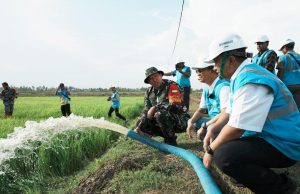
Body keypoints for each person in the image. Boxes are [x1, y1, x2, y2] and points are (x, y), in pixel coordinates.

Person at [202, 33, 300, 194]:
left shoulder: (251, 80)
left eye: (216, 62)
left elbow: (237, 128)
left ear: (231, 60)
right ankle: (249, 174)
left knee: (224, 156)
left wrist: (210, 150)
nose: (214, 67)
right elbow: (230, 113)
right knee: (221, 139)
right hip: (272, 136)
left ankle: (282, 187)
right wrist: (213, 129)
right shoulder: (241, 76)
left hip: (285, 144)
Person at [134, 67, 190, 146]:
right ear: (149, 82)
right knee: (141, 121)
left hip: (180, 120)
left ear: (160, 75)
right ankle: (157, 136)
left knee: (160, 114)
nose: (154, 80)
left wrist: (155, 107)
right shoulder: (149, 92)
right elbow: (146, 109)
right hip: (163, 120)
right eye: (151, 79)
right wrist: (140, 126)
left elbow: (174, 104)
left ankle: (171, 141)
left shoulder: (172, 86)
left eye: (155, 76)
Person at [186, 63, 230, 140]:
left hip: (224, 122)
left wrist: (205, 126)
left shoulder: (224, 87)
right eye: (196, 71)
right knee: (195, 122)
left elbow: (225, 114)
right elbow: (202, 110)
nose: (198, 74)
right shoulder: (206, 88)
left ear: (212, 70)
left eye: (200, 70)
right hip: (213, 120)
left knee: (210, 127)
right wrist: (191, 121)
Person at [277, 39, 300, 110]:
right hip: (299, 86)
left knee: (288, 109)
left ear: (285, 47)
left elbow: (280, 72)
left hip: (287, 86)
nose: (282, 52)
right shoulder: (299, 56)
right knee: (298, 108)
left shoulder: (282, 58)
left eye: (282, 50)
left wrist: (277, 83)